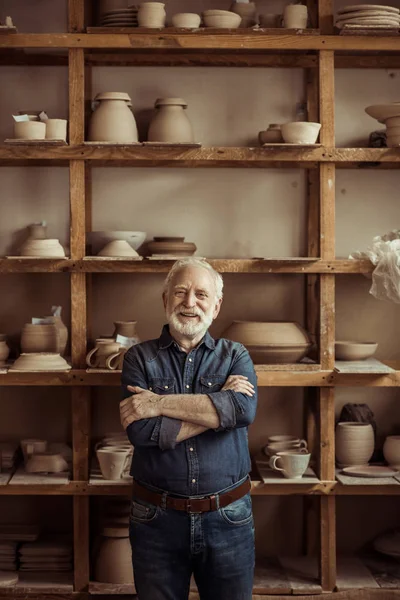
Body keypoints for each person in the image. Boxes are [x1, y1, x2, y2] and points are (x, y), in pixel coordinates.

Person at [120, 257, 258, 600]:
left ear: (216, 305)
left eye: (200, 294)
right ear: (166, 300)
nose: (190, 303)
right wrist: (217, 408)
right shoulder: (138, 358)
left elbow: (242, 410)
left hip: (229, 517)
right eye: (180, 293)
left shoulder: (235, 355)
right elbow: (141, 432)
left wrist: (158, 403)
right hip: (156, 519)